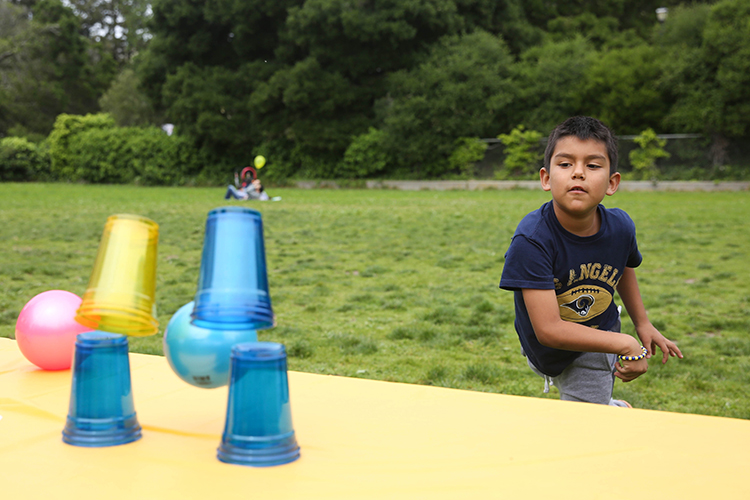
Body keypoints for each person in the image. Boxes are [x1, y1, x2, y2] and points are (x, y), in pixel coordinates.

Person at [499, 116, 682, 407]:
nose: (578, 173)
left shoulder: (620, 227)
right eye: (565, 164)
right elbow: (548, 329)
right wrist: (626, 343)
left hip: (597, 339)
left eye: (593, 165)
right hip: (543, 342)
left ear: (612, 183)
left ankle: (606, 408)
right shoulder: (532, 241)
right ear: (546, 179)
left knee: (584, 425)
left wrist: (642, 324)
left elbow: (622, 267)